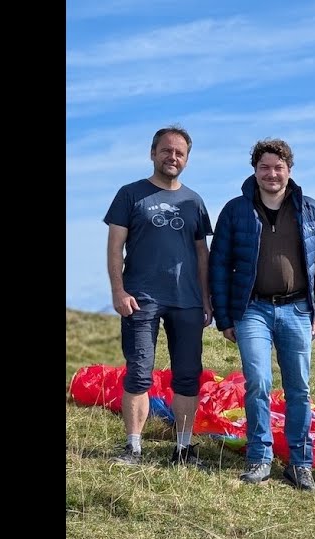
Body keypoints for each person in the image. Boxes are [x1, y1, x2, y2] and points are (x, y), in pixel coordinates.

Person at [209, 138, 315, 492]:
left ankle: (300, 463)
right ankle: (259, 458)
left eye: (278, 167)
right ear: (255, 170)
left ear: (289, 171)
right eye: (265, 167)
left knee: (299, 389)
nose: (271, 174)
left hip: (297, 309)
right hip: (252, 310)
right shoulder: (235, 211)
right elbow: (219, 264)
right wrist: (225, 316)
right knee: (259, 383)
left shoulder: (310, 210)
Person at [105, 125, 214, 467]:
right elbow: (114, 246)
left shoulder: (194, 201)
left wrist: (207, 300)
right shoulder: (130, 194)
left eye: (180, 153)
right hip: (140, 298)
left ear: (187, 160)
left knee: (187, 374)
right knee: (139, 371)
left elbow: (201, 255)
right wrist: (118, 291)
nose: (173, 157)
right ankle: (133, 448)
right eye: (166, 151)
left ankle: (183, 449)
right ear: (153, 153)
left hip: (188, 301)